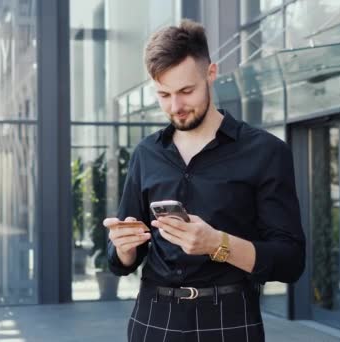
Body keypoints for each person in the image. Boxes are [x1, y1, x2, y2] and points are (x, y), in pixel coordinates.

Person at [103, 19, 305, 342]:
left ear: (211, 74)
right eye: (163, 94)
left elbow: (290, 261)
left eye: (186, 91)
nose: (176, 107)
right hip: (154, 317)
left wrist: (217, 244)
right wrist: (124, 249)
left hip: (230, 315)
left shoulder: (266, 152)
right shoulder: (145, 154)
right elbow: (123, 260)